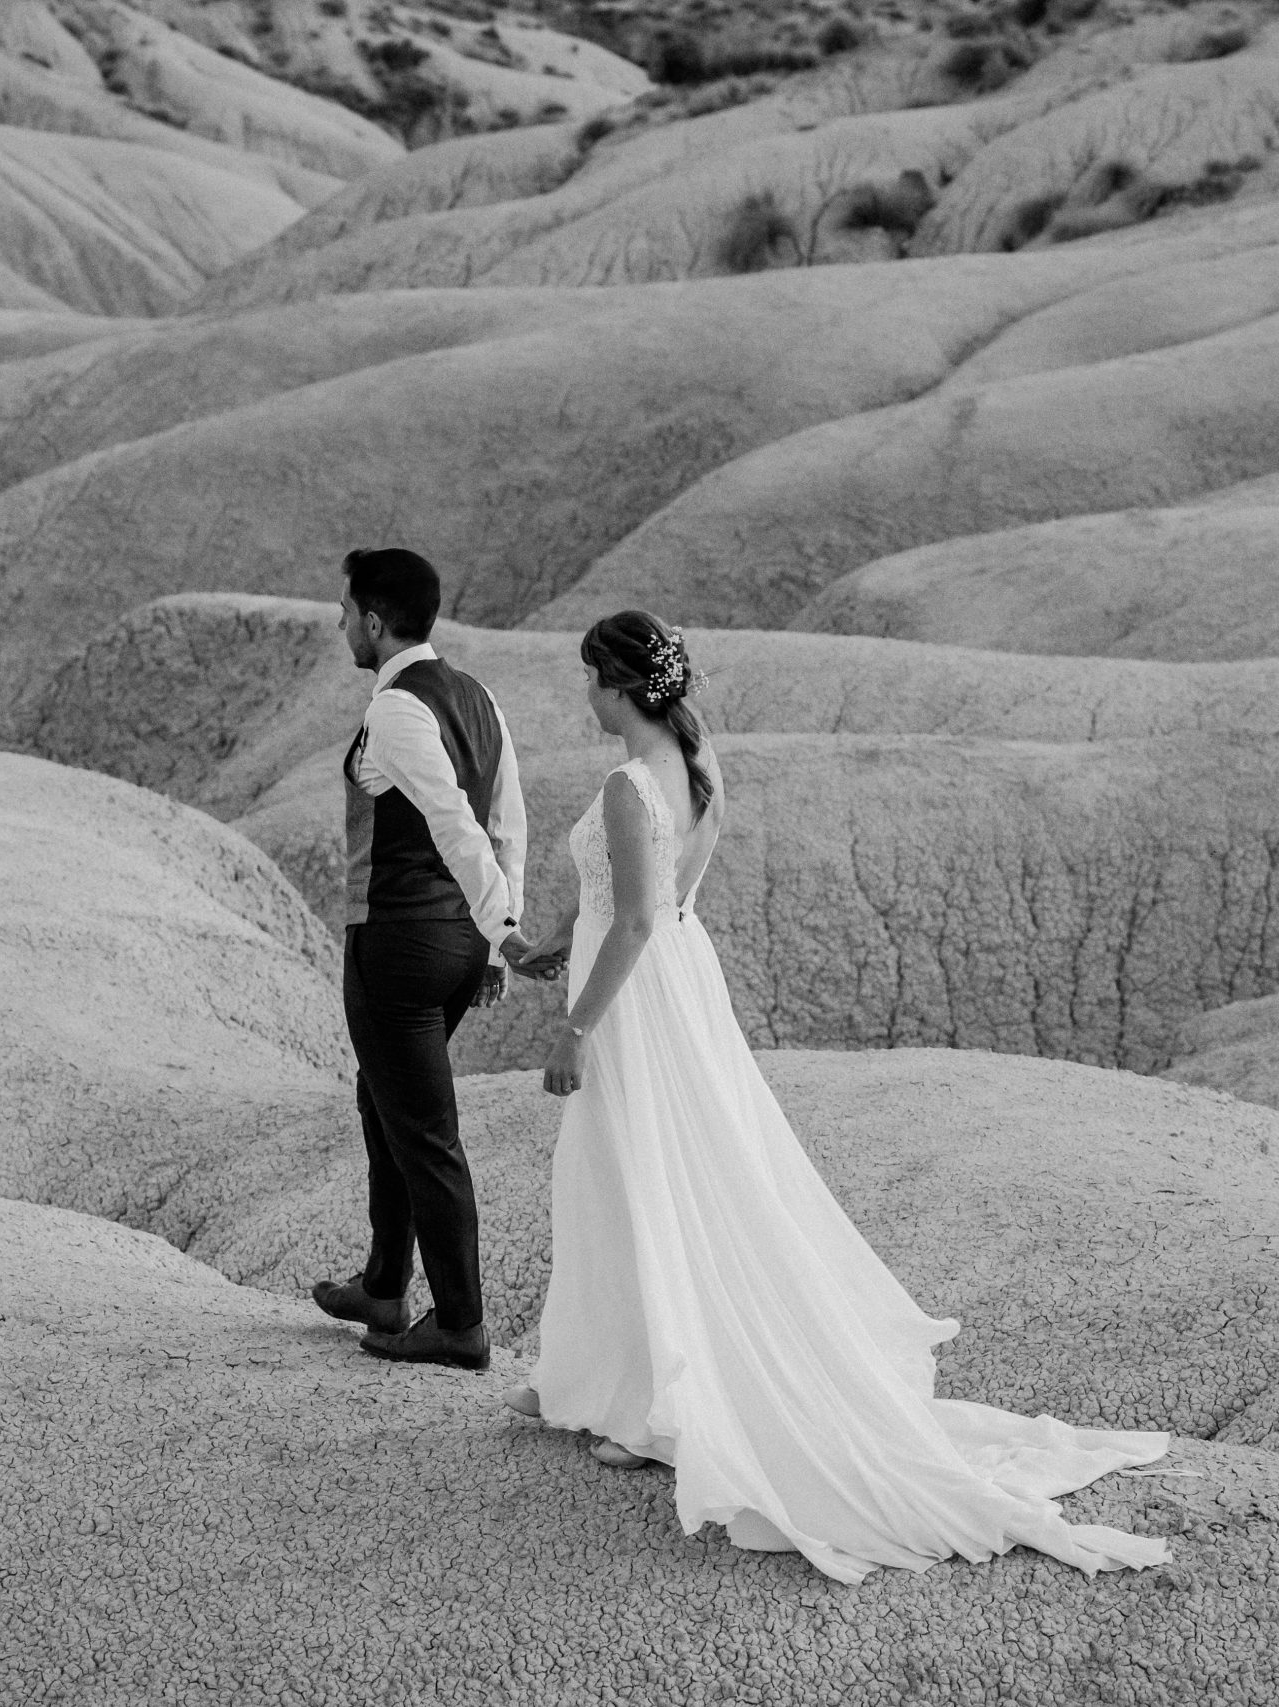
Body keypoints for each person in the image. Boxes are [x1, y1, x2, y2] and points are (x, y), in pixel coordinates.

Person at [502, 610, 1172, 1584]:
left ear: (617, 684)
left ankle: (655, 1408)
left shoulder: (624, 784)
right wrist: (557, 950)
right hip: (677, 988)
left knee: (637, 1178)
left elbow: (640, 917)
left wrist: (574, 1028)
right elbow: (648, 904)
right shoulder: (698, 766)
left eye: (588, 678)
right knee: (649, 1175)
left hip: (639, 1002)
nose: (583, 693)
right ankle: (596, 1383)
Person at [312, 547, 533, 1373]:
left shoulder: (399, 710)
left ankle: (460, 1322)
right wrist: (493, 937)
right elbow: (511, 820)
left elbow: (453, 822)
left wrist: (504, 927)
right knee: (386, 1102)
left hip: (398, 941)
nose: (339, 623)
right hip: (454, 946)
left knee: (425, 1134)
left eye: (345, 611)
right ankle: (382, 1283)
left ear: (375, 621)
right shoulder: (479, 698)